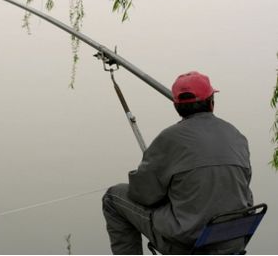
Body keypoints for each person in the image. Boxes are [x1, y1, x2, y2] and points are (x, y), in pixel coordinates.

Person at [102, 71, 253, 254]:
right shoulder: (236, 135)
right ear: (212, 102)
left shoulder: (168, 138)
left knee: (112, 197)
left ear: (176, 106)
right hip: (233, 239)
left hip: (189, 243)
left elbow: (142, 195)